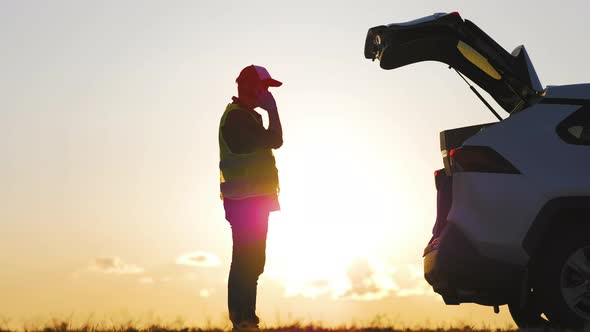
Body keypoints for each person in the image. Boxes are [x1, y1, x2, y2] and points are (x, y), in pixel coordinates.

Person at [218, 65, 283, 331]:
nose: (267, 93)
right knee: (245, 259)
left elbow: (272, 141)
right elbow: (276, 140)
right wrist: (273, 110)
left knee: (254, 260)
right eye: (264, 87)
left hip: (255, 199)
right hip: (244, 201)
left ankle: (247, 319)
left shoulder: (248, 117)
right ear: (249, 87)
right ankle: (242, 320)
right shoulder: (237, 118)